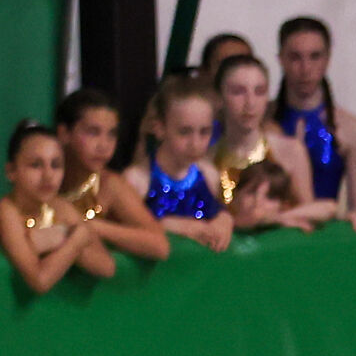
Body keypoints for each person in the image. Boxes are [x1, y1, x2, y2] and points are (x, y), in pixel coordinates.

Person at [53, 89, 170, 262]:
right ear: (64, 134)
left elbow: (159, 246)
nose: (104, 145)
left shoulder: (109, 185)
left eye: (111, 134)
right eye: (93, 132)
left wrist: (94, 227)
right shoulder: (44, 178)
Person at [272, 16, 356, 214]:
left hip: (326, 237)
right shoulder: (262, 121)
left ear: (327, 59)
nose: (305, 68)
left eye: (314, 56)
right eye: (295, 57)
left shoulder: (350, 128)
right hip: (272, 235)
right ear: (281, 59)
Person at [124, 76, 232, 252]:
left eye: (204, 132)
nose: (195, 143)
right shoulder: (137, 181)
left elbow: (219, 215)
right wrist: (170, 226)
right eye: (184, 132)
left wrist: (224, 220)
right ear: (159, 128)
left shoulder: (208, 174)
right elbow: (124, 234)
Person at [5, 122, 114, 293]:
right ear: (11, 171)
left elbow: (107, 267)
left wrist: (62, 238)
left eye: (55, 165)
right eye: (35, 165)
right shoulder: (6, 211)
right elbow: (39, 281)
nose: (48, 175)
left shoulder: (59, 207)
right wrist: (76, 240)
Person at [212, 54, 322, 214]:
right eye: (238, 92)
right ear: (219, 98)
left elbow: (311, 214)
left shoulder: (290, 151)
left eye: (259, 91)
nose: (250, 103)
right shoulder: (207, 161)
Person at [228, 156, 314, 234]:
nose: (258, 202)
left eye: (270, 196)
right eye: (251, 192)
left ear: (283, 204)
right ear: (236, 195)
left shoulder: (286, 231)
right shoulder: (221, 226)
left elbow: (326, 208)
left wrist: (279, 218)